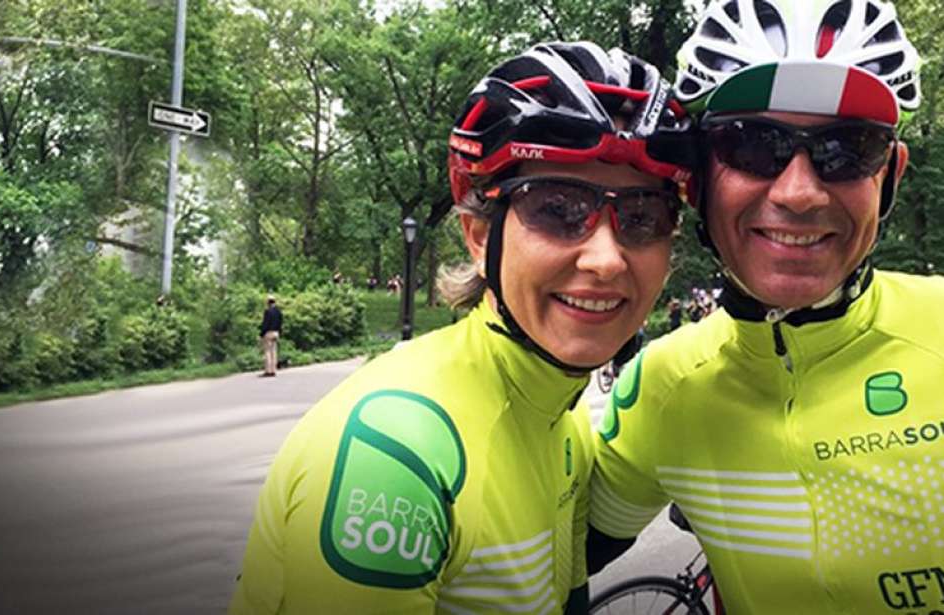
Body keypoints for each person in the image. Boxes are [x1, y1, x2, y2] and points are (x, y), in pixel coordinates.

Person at [228, 41, 690, 614]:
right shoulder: (396, 450)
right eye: (558, 208)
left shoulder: (558, 410)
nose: (606, 259)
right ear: (478, 236)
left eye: (642, 218)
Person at [587, 1, 938, 613]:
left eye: (847, 148)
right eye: (752, 146)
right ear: (694, 177)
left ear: (890, 178)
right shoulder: (663, 388)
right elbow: (517, 555)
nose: (799, 193)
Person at [258, 295, 282, 377]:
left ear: (268, 302)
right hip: (276, 332)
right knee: (274, 351)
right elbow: (280, 323)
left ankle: (268, 371)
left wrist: (261, 334)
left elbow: (265, 324)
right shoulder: (279, 311)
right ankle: (274, 370)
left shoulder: (268, 311)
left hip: (269, 333)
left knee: (267, 352)